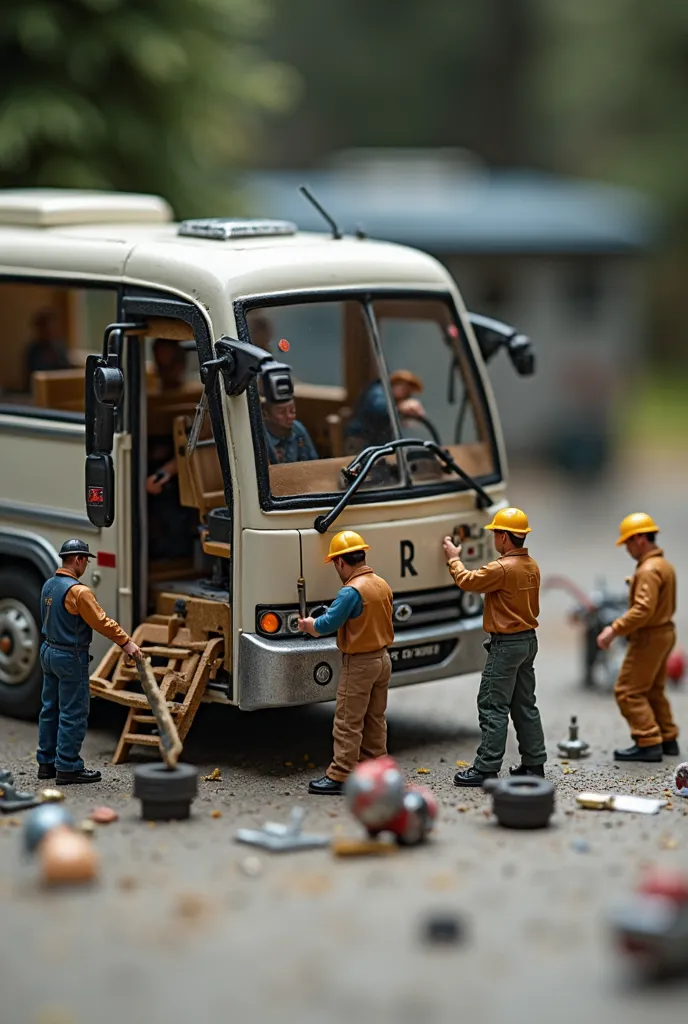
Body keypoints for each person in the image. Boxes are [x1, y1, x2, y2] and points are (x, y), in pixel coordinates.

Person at [443, 507, 546, 787]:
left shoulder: (502, 568)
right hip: (528, 641)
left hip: (507, 645)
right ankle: (534, 763)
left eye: (495, 534)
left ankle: (486, 767)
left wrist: (454, 560)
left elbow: (466, 581)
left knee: (492, 704)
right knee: (525, 704)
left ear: (502, 537)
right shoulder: (532, 566)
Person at [36, 539, 142, 785]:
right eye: (86, 561)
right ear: (79, 560)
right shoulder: (79, 591)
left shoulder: (49, 585)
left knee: (49, 708)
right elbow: (101, 621)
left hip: (48, 650)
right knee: (74, 711)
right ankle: (68, 766)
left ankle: (46, 762)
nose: (86, 566)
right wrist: (127, 642)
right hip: (69, 656)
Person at [298, 531, 394, 795]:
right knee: (375, 718)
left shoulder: (350, 591)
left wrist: (309, 625)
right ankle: (378, 771)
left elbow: (328, 623)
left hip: (360, 663)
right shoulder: (382, 584)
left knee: (347, 720)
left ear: (341, 562)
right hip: (383, 660)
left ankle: (341, 774)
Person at [597, 513, 679, 763]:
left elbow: (643, 609)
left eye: (629, 543)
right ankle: (667, 738)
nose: (628, 550)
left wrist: (614, 628)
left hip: (648, 637)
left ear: (641, 539)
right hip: (664, 633)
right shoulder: (664, 566)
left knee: (628, 691)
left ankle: (647, 741)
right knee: (653, 690)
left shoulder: (648, 569)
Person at [146, 338, 197, 560]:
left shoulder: (196, 399)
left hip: (181, 474)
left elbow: (196, 447)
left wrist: (167, 470)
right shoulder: (146, 400)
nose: (168, 371)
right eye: (162, 365)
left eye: (173, 363)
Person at [346, 369, 426, 448]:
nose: (405, 394)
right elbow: (378, 408)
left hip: (377, 442)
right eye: (405, 389)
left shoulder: (392, 399)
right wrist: (401, 408)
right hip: (361, 440)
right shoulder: (378, 392)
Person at [25, 308, 71, 388]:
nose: (49, 330)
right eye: (45, 327)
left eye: (52, 326)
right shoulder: (33, 351)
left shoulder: (59, 348)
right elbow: (31, 380)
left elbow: (66, 371)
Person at [262, 398, 319, 464]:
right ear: (266, 414)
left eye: (292, 411)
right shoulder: (260, 436)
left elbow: (313, 461)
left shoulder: (298, 429)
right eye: (282, 412)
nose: (290, 416)